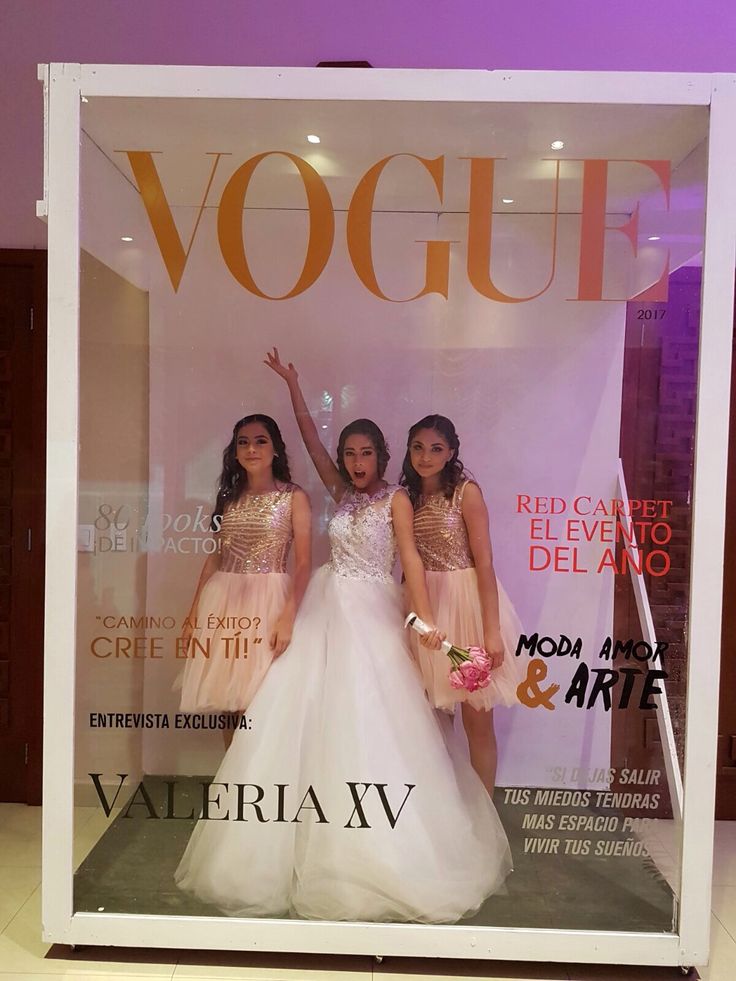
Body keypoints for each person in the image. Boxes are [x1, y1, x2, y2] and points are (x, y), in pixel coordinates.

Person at [175, 355, 511, 923]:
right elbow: (309, 442)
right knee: (301, 714)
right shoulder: (336, 490)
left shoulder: (397, 499)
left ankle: (393, 845)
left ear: (384, 458)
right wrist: (295, 386)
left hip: (376, 610)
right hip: (326, 609)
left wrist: (422, 622)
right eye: (349, 453)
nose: (356, 462)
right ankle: (289, 843)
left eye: (366, 454)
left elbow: (410, 560)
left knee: (382, 720)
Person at [401, 414, 524, 796]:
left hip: (466, 603)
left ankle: (485, 814)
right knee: (432, 720)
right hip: (425, 607)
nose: (426, 457)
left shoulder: (466, 492)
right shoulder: (407, 497)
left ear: (451, 452)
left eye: (436, 448)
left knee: (477, 719)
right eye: (419, 447)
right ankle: (445, 813)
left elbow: (485, 563)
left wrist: (491, 631)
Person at [178, 414, 311, 744]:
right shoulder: (229, 496)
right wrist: (194, 613)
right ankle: (231, 787)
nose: (251, 449)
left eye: (260, 441)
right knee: (227, 699)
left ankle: (259, 784)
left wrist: (289, 615)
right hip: (224, 599)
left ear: (276, 449)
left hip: (269, 601)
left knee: (260, 698)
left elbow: (305, 562)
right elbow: (215, 556)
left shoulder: (293, 497)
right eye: (243, 442)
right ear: (235, 452)